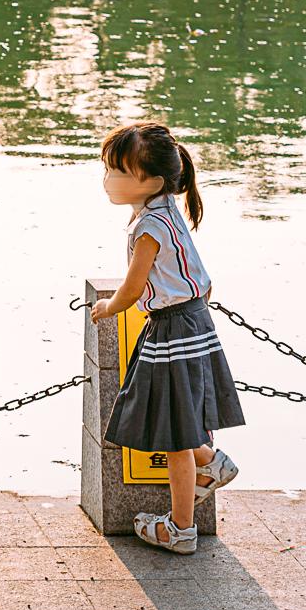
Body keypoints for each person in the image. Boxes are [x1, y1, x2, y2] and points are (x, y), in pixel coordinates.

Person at [91, 121, 244, 555]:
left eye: (119, 171)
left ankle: (180, 529)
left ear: (153, 182)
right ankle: (211, 463)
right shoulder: (167, 214)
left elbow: (132, 288)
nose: (109, 180)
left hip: (175, 330)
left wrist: (107, 308)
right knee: (176, 417)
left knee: (174, 434)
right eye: (108, 169)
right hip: (193, 323)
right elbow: (202, 280)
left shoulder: (149, 228)